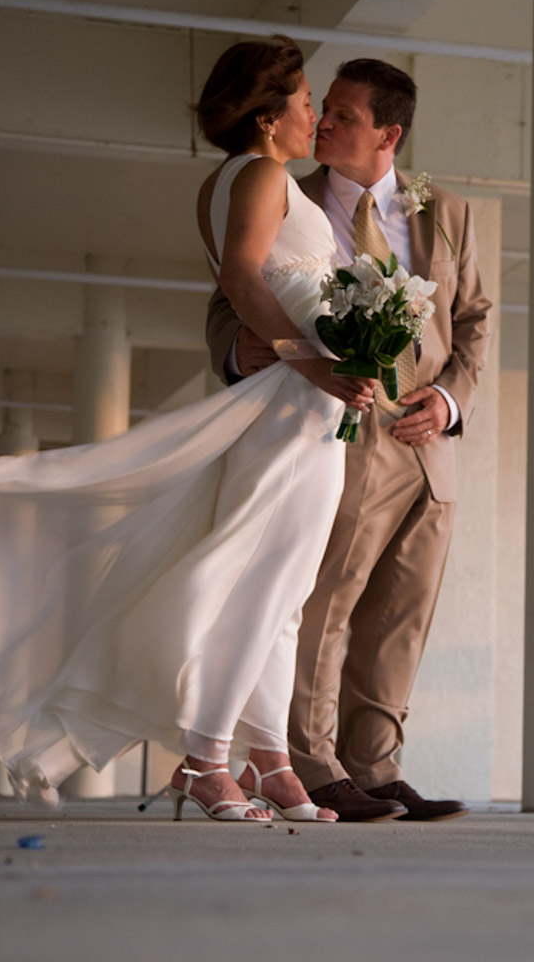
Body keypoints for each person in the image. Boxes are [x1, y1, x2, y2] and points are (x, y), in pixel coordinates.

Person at [0, 38, 375, 822]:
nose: (313, 114)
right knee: (263, 581)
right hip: (291, 405)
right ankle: (205, 762)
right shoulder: (264, 175)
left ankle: (271, 761)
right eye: (305, 101)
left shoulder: (235, 176)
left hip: (301, 406)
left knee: (286, 589)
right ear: (269, 117)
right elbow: (241, 277)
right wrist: (316, 364)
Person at [206, 59, 491, 822]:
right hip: (342, 428)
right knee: (321, 605)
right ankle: (311, 762)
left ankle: (376, 768)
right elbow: (228, 300)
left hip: (430, 445)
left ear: (388, 134)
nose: (323, 122)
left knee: (402, 615)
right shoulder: (284, 197)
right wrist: (247, 349)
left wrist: (450, 400)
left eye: (343, 114)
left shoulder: (449, 213)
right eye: (320, 108)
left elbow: (474, 321)